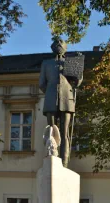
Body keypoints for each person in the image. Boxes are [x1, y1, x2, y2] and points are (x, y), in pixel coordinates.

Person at [39, 38, 82, 167]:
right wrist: (51, 92)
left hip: (67, 100)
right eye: (57, 45)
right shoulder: (46, 63)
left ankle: (64, 163)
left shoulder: (70, 62)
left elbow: (77, 82)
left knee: (64, 133)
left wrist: (78, 66)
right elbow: (42, 84)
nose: (59, 47)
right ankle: (52, 158)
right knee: (52, 132)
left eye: (60, 45)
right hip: (51, 100)